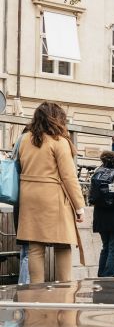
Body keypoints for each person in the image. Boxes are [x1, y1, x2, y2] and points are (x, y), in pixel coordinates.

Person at [16, 102, 86, 282]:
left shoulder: (24, 140)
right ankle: (64, 290)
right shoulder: (59, 142)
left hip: (29, 195)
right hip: (53, 197)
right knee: (63, 244)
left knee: (35, 247)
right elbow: (69, 177)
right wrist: (79, 207)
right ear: (57, 119)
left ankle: (35, 291)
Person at [90, 150, 114, 277]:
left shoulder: (97, 173)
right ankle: (108, 277)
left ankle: (101, 276)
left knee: (105, 248)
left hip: (100, 217)